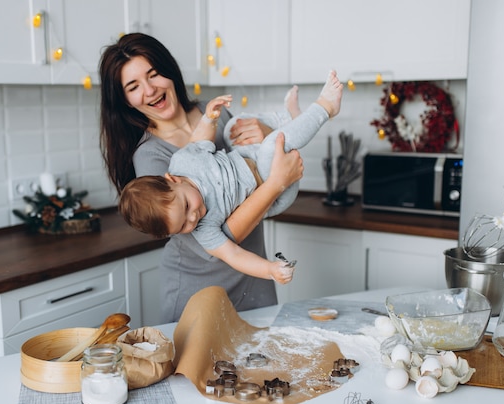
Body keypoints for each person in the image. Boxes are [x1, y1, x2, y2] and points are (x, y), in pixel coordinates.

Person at [99, 33, 304, 322]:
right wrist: (276, 184)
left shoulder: (215, 114)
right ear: (126, 101)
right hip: (199, 287)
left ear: (169, 71)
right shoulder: (151, 156)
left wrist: (268, 137)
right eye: (133, 86)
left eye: (153, 74)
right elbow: (222, 236)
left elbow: (262, 168)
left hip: (255, 273)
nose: (149, 90)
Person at [119, 71, 343, 283]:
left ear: (173, 179)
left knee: (233, 128)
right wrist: (270, 270)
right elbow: (233, 255)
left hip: (248, 159)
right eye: (182, 227)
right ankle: (326, 107)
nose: (193, 218)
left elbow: (199, 141)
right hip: (273, 191)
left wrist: (209, 118)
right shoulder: (204, 230)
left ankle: (290, 117)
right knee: (271, 147)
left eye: (187, 206)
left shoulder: (183, 162)